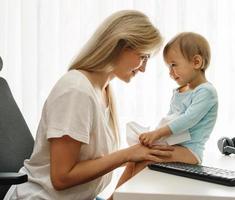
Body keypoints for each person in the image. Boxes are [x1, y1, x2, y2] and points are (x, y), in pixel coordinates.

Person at [4, 10, 175, 200]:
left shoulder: (104, 90)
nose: (143, 69)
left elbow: (93, 162)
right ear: (119, 45)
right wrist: (127, 155)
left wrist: (136, 154)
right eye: (143, 57)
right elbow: (61, 177)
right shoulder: (76, 91)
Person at [116, 32, 218, 189]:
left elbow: (187, 120)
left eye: (174, 65)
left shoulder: (206, 92)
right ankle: (114, 197)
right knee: (134, 158)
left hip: (190, 151)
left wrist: (156, 134)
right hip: (175, 145)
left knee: (147, 159)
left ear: (196, 62)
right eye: (168, 67)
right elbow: (171, 117)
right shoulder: (181, 91)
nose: (170, 72)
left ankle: (125, 196)